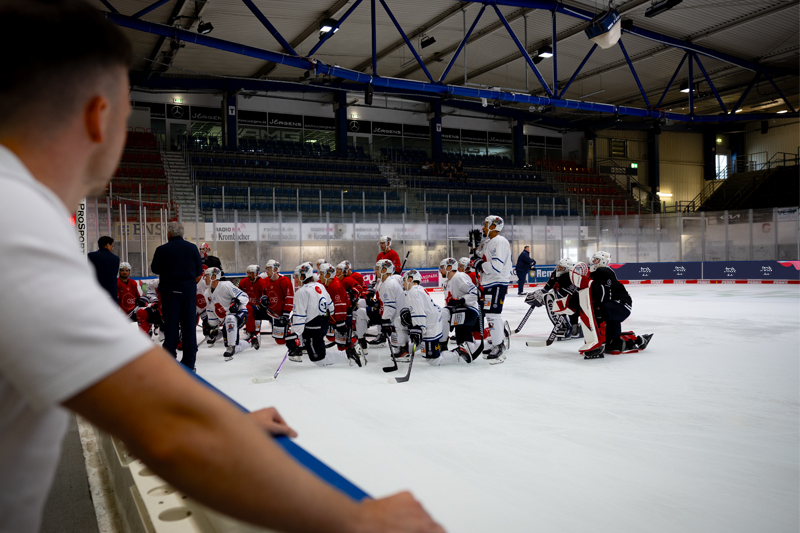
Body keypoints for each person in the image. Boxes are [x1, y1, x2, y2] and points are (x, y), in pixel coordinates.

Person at [0, 4, 442, 531]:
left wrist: (217, 423)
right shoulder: (15, 219)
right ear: (99, 117)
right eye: (128, 114)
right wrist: (357, 521)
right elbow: (170, 428)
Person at [567, 252, 653, 359]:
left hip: (622, 304)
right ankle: (613, 342)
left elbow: (604, 295)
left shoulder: (605, 271)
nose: (593, 261)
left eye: (597, 259)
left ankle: (603, 343)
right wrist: (572, 315)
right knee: (611, 344)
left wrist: (589, 284)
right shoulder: (592, 274)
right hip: (613, 304)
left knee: (597, 311)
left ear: (603, 261)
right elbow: (580, 296)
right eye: (594, 259)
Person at [286, 263, 364, 366]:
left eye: (297, 276)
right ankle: (346, 353)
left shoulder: (301, 292)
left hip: (312, 328)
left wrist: (295, 334)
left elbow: (299, 316)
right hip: (323, 325)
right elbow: (331, 307)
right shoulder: (320, 286)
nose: (295, 279)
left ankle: (349, 353)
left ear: (302, 276)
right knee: (318, 352)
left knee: (318, 359)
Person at [151, 220, 204, 371]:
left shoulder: (162, 249)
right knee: (189, 330)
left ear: (169, 233)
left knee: (171, 330)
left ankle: (170, 364)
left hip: (170, 295)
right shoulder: (192, 248)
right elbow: (199, 270)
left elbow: (155, 268)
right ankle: (189, 364)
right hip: (188, 294)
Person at [471, 215, 512, 364]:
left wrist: (480, 264)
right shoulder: (489, 242)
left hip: (497, 282)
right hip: (490, 283)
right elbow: (478, 260)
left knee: (493, 316)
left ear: (494, 226)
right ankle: (497, 343)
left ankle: (499, 346)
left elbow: (496, 266)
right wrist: (474, 251)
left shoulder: (500, 241)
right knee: (491, 316)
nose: (483, 228)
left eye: (486, 224)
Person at [402, 269, 463, 365]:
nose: (403, 283)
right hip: (433, 322)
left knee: (434, 360)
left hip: (430, 326)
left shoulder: (412, 292)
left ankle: (459, 353)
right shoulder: (419, 289)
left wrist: (418, 328)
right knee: (427, 354)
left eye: (404, 280)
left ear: (410, 279)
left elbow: (418, 312)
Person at [526, 258, 583, 341]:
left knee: (573, 311)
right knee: (557, 309)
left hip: (574, 299)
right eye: (559, 266)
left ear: (567, 269)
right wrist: (542, 294)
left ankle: (574, 328)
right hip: (562, 298)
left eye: (561, 267)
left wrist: (556, 293)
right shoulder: (555, 273)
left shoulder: (570, 276)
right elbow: (548, 286)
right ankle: (564, 326)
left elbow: (569, 293)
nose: (559, 268)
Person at [439, 258, 483, 362]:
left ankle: (442, 345)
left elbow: (476, 293)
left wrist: (460, 300)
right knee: (465, 345)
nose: (440, 270)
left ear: (449, 268)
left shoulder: (458, 277)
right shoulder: (448, 282)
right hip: (462, 311)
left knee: (443, 313)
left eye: (442, 268)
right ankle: (490, 344)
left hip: (469, 311)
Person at [377, 259, 410, 362]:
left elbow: (390, 306)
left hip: (399, 316)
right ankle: (402, 349)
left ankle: (404, 351)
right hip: (399, 315)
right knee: (396, 331)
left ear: (384, 270)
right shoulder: (387, 282)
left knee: (398, 329)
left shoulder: (389, 284)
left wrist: (385, 320)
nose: (375, 271)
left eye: (377, 268)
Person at [239, 264, 267, 348]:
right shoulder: (243, 282)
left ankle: (253, 333)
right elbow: (238, 293)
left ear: (257, 273)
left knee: (250, 311)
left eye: (251, 273)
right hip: (246, 307)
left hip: (259, 307)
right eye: (248, 273)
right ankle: (252, 333)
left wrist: (264, 302)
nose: (249, 275)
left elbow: (266, 295)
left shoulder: (262, 282)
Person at [87, 235, 119, 302]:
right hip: (111, 293)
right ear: (107, 245)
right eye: (112, 246)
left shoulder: (91, 256)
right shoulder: (115, 259)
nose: (112, 248)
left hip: (95, 291)